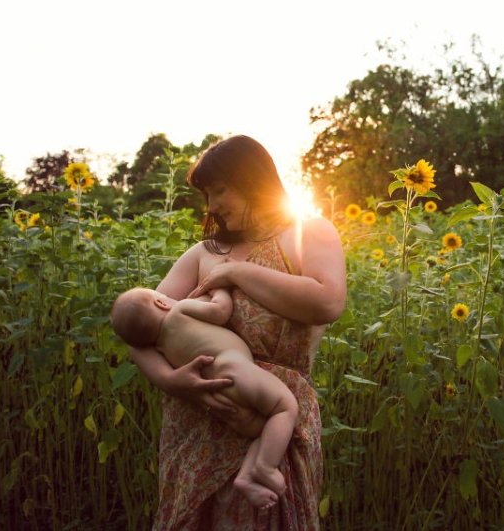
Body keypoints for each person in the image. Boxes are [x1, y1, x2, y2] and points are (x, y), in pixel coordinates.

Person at [127, 135, 347, 530]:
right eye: (207, 195)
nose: (211, 206)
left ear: (249, 179)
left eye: (218, 190)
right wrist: (171, 380)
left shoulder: (308, 233)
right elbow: (138, 328)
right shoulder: (203, 253)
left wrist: (236, 272)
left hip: (272, 421)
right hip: (196, 425)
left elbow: (328, 302)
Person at [111, 285, 298, 509]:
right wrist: (220, 289)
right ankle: (265, 467)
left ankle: (246, 477)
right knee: (284, 407)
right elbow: (220, 311)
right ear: (162, 303)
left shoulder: (162, 349)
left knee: (265, 428)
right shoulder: (179, 311)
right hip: (234, 368)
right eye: (163, 295)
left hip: (219, 394)